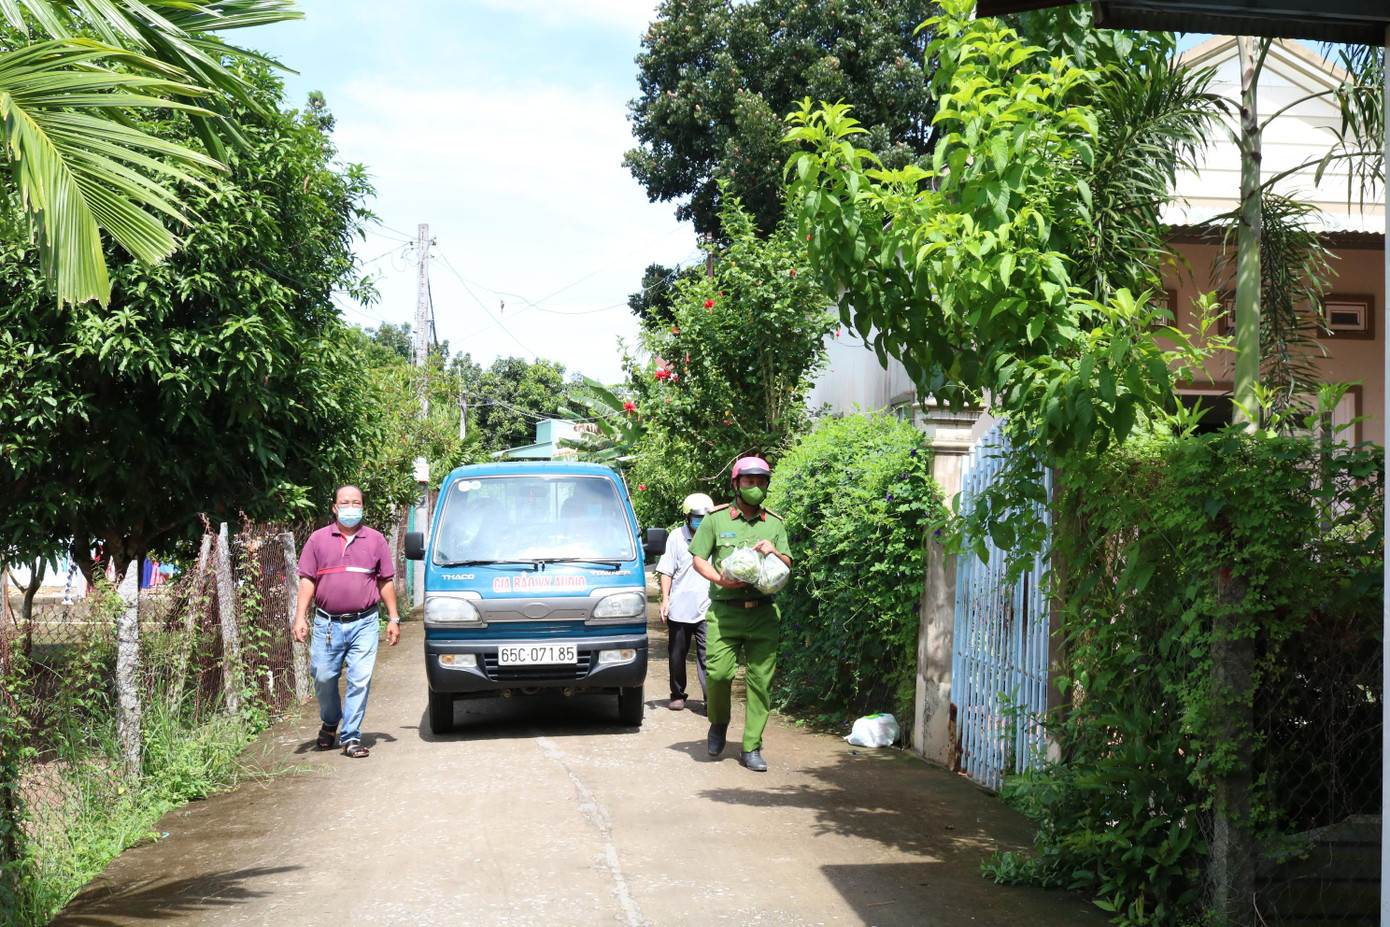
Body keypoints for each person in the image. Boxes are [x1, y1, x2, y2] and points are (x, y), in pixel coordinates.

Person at [689, 457, 792, 772]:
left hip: (764, 613)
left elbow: (788, 562)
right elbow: (698, 558)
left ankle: (751, 747)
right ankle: (718, 722)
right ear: (736, 484)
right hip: (724, 612)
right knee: (719, 675)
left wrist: (774, 551)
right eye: (749, 482)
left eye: (761, 483)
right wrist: (720, 579)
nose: (756, 488)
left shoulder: (774, 523)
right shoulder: (716, 519)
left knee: (761, 682)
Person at [292, 485, 401, 758]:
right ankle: (330, 721)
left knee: (359, 680)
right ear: (334, 507)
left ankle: (351, 737)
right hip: (327, 624)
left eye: (356, 503)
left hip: (365, 622)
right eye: (345, 502)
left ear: (363, 507)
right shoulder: (317, 540)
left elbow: (385, 581)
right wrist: (300, 617)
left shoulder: (375, 540)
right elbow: (307, 580)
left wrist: (393, 618)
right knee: (323, 675)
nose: (350, 507)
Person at [656, 492, 714, 711]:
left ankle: (711, 699)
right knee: (676, 655)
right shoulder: (676, 537)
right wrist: (665, 600)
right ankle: (677, 694)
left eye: (704, 518)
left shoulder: (715, 537)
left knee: (709, 656)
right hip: (680, 607)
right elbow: (666, 571)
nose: (699, 522)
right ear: (687, 518)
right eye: (696, 518)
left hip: (707, 607)